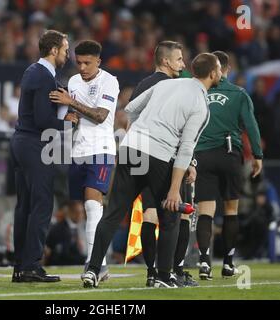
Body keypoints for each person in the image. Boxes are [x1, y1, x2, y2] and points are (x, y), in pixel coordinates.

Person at [82, 53, 222, 288]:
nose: (221, 73)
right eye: (219, 69)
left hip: (130, 147)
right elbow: (186, 148)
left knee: (113, 214)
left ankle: (92, 270)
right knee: (170, 218)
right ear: (212, 74)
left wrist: (140, 131)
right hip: (158, 154)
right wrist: (175, 189)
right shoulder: (201, 105)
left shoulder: (167, 84)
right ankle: (164, 277)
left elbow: (131, 108)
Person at [10, 30, 78, 283]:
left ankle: (20, 267)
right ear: (53, 50)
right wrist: (69, 123)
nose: (67, 53)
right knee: (41, 206)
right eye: (65, 48)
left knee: (24, 207)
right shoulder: (44, 77)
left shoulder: (33, 71)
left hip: (21, 143)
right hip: (35, 145)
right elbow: (43, 120)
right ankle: (32, 266)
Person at [128, 41, 198, 287]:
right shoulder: (178, 87)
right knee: (177, 216)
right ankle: (171, 272)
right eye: (179, 59)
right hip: (168, 159)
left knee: (150, 214)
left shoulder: (143, 85)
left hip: (141, 157)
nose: (183, 64)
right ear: (166, 61)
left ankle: (151, 273)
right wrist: (190, 162)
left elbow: (131, 117)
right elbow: (183, 129)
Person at [49, 40, 120, 281]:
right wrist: (69, 116)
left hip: (101, 149)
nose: (82, 67)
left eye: (87, 63)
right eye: (78, 62)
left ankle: (94, 264)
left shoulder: (109, 81)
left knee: (92, 205)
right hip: (77, 151)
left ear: (98, 61)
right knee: (82, 209)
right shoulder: (73, 82)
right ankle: (101, 264)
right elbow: (73, 114)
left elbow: (101, 116)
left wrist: (72, 103)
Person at [194, 51, 263, 280]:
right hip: (230, 154)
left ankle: (204, 262)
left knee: (206, 211)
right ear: (227, 69)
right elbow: (251, 126)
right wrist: (258, 155)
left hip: (202, 155)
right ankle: (228, 263)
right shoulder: (239, 93)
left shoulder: (197, 91)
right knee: (231, 210)